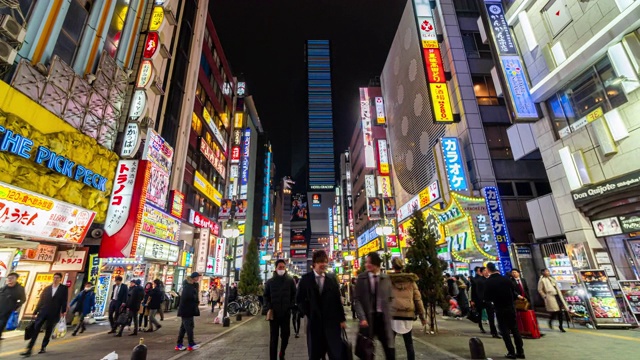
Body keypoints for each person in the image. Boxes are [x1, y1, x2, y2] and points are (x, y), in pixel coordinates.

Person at [296, 250, 346, 360]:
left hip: (331, 323)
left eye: (325, 262)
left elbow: (337, 300)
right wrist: (308, 312)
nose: (323, 264)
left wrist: (342, 319)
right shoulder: (306, 279)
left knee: (335, 353)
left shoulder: (331, 279)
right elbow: (299, 299)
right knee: (315, 354)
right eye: (320, 262)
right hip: (314, 324)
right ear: (314, 264)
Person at [354, 252, 396, 360]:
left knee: (389, 350)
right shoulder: (361, 278)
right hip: (368, 319)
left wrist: (390, 313)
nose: (367, 265)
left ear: (377, 264)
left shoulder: (385, 278)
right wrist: (362, 318)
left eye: (369, 262)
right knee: (366, 351)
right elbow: (357, 299)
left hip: (383, 318)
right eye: (366, 262)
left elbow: (391, 297)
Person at [483, 262, 525, 359]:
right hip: (510, 307)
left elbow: (487, 297)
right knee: (515, 329)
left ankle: (511, 352)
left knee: (504, 331)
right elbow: (513, 292)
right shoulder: (506, 279)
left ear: (488, 270)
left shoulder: (488, 282)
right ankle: (520, 352)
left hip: (499, 308)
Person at [21, 273, 68, 357]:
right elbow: (41, 300)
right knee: (35, 330)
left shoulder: (63, 289)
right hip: (43, 312)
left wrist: (63, 311)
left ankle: (43, 347)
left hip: (54, 313)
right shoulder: (47, 288)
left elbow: (64, 300)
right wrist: (35, 311)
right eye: (54, 277)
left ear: (60, 279)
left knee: (48, 331)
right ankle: (29, 349)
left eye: (57, 278)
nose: (55, 279)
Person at [388, 258, 426, 360]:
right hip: (407, 315)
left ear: (392, 266)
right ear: (403, 267)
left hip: (393, 315)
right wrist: (422, 316)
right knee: (409, 344)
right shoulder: (411, 281)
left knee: (390, 345)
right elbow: (418, 299)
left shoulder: (388, 281)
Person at [264, 259, 297, 360]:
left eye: (283, 267)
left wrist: (291, 306)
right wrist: (269, 307)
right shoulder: (270, 282)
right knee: (274, 338)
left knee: (286, 336)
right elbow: (266, 296)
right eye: (280, 267)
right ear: (276, 268)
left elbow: (294, 295)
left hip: (286, 313)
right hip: (274, 314)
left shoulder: (290, 280)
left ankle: (282, 352)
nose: (282, 269)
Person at [175, 272, 201, 351]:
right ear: (194, 277)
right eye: (198, 277)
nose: (199, 278)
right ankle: (191, 344)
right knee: (189, 327)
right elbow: (187, 298)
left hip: (188, 310)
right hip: (186, 310)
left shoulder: (192, 286)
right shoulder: (188, 286)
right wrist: (195, 301)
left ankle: (179, 344)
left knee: (183, 327)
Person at [470, 266, 498, 337]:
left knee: (491, 317)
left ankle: (493, 332)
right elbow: (476, 291)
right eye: (484, 270)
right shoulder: (478, 281)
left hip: (490, 301)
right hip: (481, 301)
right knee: (479, 314)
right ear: (481, 272)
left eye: (487, 270)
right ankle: (481, 326)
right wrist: (473, 300)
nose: (486, 272)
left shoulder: (490, 279)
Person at [0, 272, 26, 340]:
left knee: (1, 325)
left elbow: (23, 299)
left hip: (6, 313)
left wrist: (15, 307)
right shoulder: (4, 288)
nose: (10, 279)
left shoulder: (20, 289)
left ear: (16, 279)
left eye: (12, 278)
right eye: (9, 278)